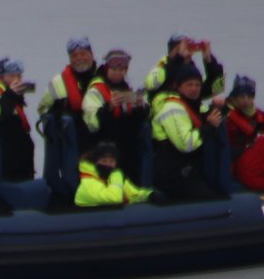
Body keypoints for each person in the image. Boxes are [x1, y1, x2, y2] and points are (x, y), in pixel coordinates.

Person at [150, 61, 225, 200]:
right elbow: (186, 144)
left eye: (197, 85)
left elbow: (205, 118)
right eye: (189, 85)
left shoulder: (193, 106)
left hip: (187, 170)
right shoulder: (172, 108)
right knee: (209, 198)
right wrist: (208, 127)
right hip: (171, 174)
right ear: (178, 87)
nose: (194, 89)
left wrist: (218, 109)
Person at [80, 49, 145, 176]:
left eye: (121, 70)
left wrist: (139, 107)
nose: (118, 74)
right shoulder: (95, 91)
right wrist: (109, 108)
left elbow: (134, 122)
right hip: (103, 147)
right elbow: (92, 125)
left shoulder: (127, 90)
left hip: (126, 147)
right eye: (114, 70)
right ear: (107, 69)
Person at [0, 58, 36, 182]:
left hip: (18, 165)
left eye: (19, 76)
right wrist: (11, 95)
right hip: (4, 166)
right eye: (12, 75)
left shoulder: (12, 98)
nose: (17, 80)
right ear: (0, 77)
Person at [143, 34, 225, 101]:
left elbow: (217, 88)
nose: (187, 51)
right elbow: (154, 88)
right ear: (172, 51)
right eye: (180, 48)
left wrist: (209, 61)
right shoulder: (159, 70)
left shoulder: (193, 73)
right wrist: (179, 58)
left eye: (189, 47)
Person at [41, 35, 100, 127]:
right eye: (74, 56)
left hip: (100, 135)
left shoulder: (106, 79)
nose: (79, 58)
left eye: (83, 54)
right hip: (70, 136)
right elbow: (43, 110)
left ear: (91, 54)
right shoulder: (57, 82)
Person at [75, 141, 154, 207]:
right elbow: (115, 198)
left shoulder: (111, 179)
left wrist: (150, 195)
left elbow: (135, 194)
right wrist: (116, 175)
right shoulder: (87, 184)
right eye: (104, 161)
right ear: (95, 162)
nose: (108, 164)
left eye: (111, 161)